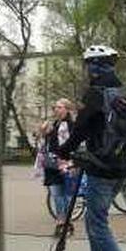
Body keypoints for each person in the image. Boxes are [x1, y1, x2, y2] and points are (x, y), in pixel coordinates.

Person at [56, 45, 126, 251]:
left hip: (102, 167)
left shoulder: (96, 93)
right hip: (121, 167)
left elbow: (81, 129)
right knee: (95, 221)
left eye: (89, 64)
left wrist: (64, 150)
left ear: (95, 66)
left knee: (97, 225)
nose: (87, 69)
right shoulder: (120, 91)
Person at [40, 98, 76, 237]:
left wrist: (71, 162)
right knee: (56, 194)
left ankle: (65, 221)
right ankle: (61, 221)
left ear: (67, 109)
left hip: (66, 163)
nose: (56, 109)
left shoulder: (71, 125)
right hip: (53, 164)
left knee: (65, 195)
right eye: (55, 107)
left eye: (60, 107)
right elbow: (49, 143)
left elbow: (73, 144)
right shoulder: (55, 124)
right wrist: (44, 132)